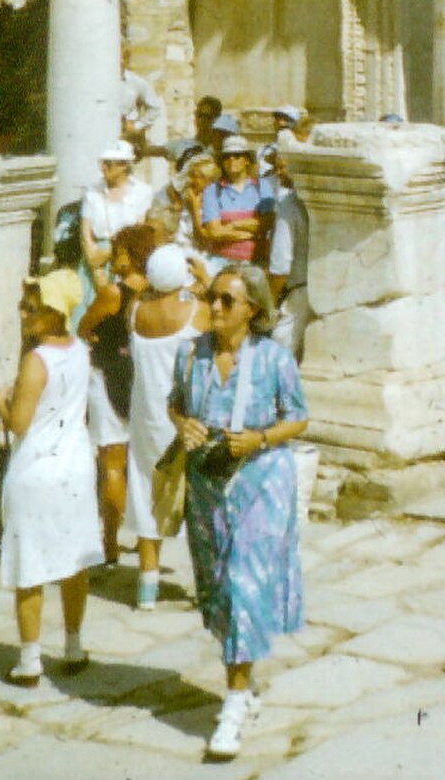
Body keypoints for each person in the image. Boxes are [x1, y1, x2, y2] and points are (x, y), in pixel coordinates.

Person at [168, 263, 308, 761]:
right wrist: (183, 425)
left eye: (227, 300)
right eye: (213, 297)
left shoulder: (273, 359)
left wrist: (259, 438)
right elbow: (175, 404)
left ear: (252, 309)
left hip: (260, 482)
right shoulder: (191, 354)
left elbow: (298, 417)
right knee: (216, 588)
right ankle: (243, 685)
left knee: (243, 583)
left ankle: (232, 703)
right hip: (207, 485)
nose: (216, 307)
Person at [0, 274, 104, 686]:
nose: (24, 314)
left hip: (36, 469)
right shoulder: (81, 351)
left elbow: (19, 423)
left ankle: (30, 659)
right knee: (74, 561)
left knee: (30, 563)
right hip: (75, 466)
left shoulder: (36, 360)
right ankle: (74, 645)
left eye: (32, 308)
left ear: (55, 313)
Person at [124, 244, 209, 611]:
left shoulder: (135, 310)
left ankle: (147, 583)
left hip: (145, 413)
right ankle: (204, 583)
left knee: (145, 488)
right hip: (183, 414)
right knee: (197, 495)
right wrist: (204, 281)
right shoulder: (196, 311)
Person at [78, 222, 158, 565]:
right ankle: (144, 539)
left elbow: (83, 326)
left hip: (108, 374)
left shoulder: (114, 293)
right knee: (141, 462)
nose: (112, 257)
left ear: (132, 255)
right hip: (142, 378)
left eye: (119, 251)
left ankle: (109, 541)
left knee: (111, 462)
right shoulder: (155, 293)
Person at [80, 141, 154, 285]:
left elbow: (137, 234)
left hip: (127, 262)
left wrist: (105, 255)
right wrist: (96, 270)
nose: (103, 168)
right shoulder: (92, 192)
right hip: (94, 266)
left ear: (124, 165)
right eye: (102, 163)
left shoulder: (142, 192)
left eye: (108, 164)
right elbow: (85, 236)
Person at [199, 137, 277, 269]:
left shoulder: (262, 186)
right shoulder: (212, 190)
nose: (231, 160)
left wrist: (232, 225)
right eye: (227, 156)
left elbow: (267, 222)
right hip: (221, 261)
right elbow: (214, 232)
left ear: (246, 160)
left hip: (256, 261)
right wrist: (250, 233)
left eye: (237, 156)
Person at [267, 148, 311, 361]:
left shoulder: (288, 207)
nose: (277, 173)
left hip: (297, 293)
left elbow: (280, 266)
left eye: (282, 167)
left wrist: (269, 304)